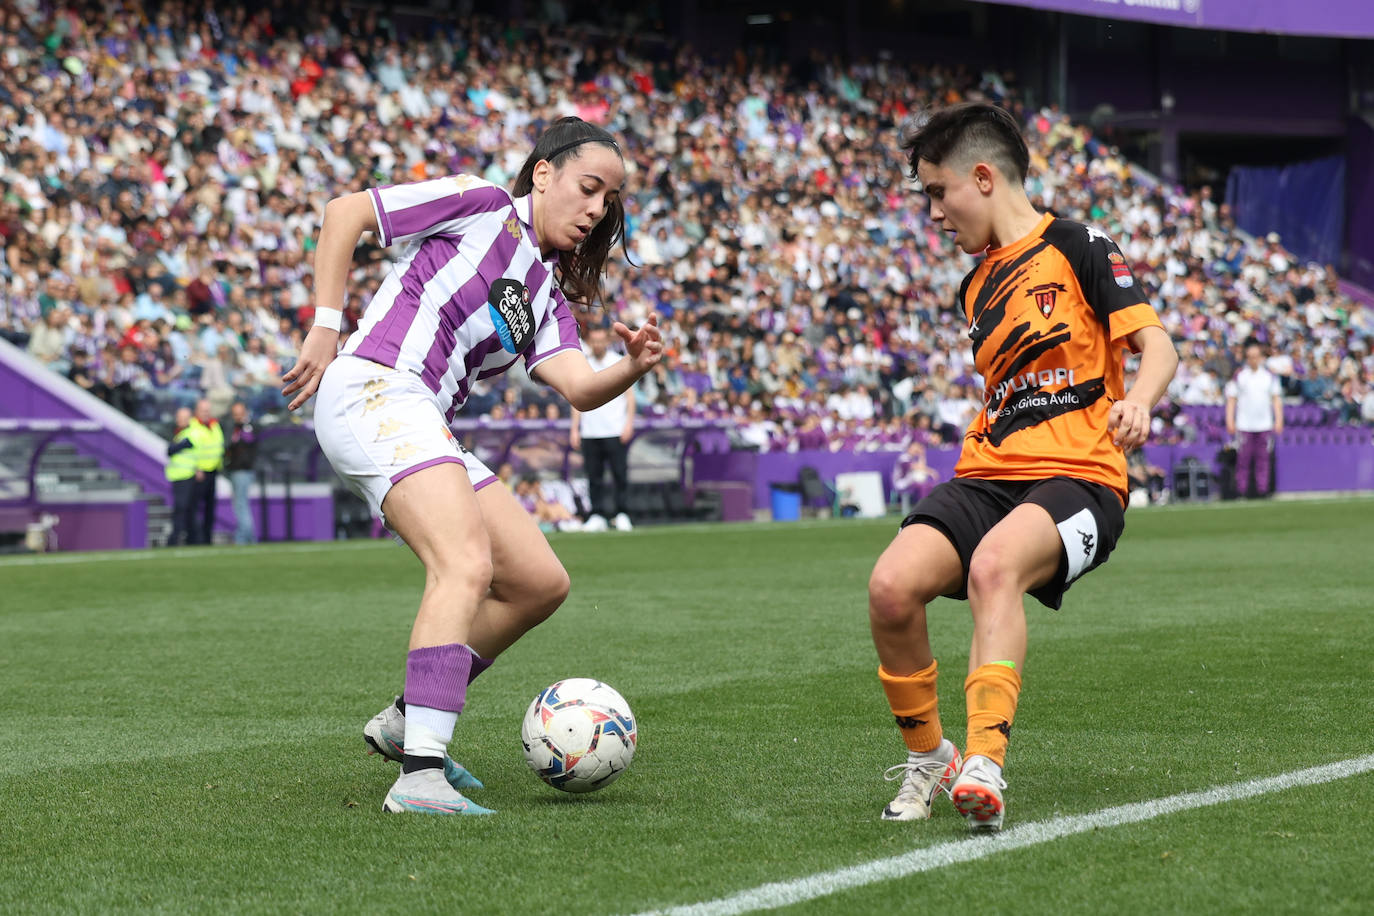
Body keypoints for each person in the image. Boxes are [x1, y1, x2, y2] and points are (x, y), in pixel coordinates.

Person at [280, 117, 663, 815]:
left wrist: (630, 367)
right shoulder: (482, 202)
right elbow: (346, 214)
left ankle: (404, 721)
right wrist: (326, 324)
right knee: (463, 565)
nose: (597, 209)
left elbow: (578, 387)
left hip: (423, 417)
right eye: (588, 188)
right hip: (375, 386)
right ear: (542, 173)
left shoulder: (545, 295)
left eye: (608, 200)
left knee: (540, 582)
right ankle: (420, 774)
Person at [867, 103, 1178, 832]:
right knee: (889, 587)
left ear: (981, 177)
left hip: (1082, 477)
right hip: (988, 474)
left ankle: (984, 761)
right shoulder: (974, 287)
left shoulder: (1079, 246)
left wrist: (1142, 399)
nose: (934, 213)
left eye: (937, 193)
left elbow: (1157, 345)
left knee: (995, 567)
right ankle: (930, 758)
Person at [569, 324, 636, 531]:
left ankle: (622, 513)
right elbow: (575, 399)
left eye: (601, 340)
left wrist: (628, 424)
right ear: (590, 342)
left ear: (607, 341)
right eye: (594, 341)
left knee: (619, 474)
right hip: (590, 431)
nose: (597, 344)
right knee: (593, 476)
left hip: (614, 429)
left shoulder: (617, 362)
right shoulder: (584, 364)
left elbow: (630, 397)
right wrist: (575, 428)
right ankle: (596, 514)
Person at [1225, 339, 1283, 498]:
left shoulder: (1269, 376)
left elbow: (1276, 399)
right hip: (1244, 424)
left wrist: (1279, 419)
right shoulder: (1240, 376)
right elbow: (1231, 399)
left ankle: (1262, 490)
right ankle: (1242, 491)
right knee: (1243, 460)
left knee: (1263, 460)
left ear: (1261, 357)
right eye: (1250, 356)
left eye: (1256, 356)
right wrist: (1230, 420)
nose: (1253, 360)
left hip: (1264, 424)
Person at [187, 397, 225, 545]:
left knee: (210, 509)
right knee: (195, 508)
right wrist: (196, 468)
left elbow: (218, 446)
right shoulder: (192, 426)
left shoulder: (214, 425)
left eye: (208, 410)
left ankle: (207, 539)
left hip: (213, 471)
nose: (206, 413)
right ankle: (195, 539)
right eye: (203, 410)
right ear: (197, 411)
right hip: (198, 473)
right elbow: (190, 451)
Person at [224, 401, 259, 544]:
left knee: (241, 505)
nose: (237, 416)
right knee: (240, 504)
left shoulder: (247, 428)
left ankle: (244, 538)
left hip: (242, 471)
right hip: (235, 470)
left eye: (240, 413)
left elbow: (244, 446)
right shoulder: (233, 428)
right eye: (235, 414)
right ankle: (248, 538)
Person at [164, 406, 197, 546]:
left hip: (187, 476)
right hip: (178, 476)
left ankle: (176, 538)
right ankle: (191, 538)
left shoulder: (191, 433)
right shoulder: (179, 433)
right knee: (186, 509)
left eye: (183, 418)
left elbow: (171, 450)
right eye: (179, 417)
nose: (180, 420)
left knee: (182, 508)